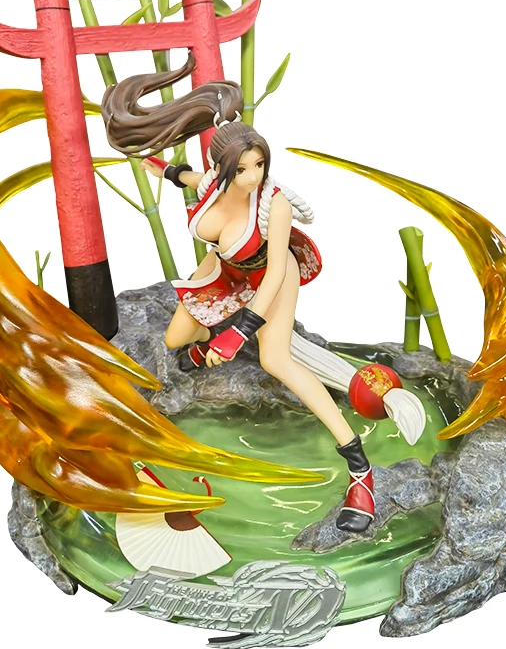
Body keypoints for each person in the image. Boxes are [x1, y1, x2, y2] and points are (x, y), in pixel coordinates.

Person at [102, 54, 375, 533]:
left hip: (271, 276)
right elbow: (192, 179)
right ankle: (207, 343)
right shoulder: (214, 183)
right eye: (243, 168)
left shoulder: (273, 204)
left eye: (260, 165)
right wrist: (164, 169)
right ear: (223, 167)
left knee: (276, 360)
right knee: (174, 341)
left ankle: (359, 468)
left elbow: (273, 276)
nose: (253, 176)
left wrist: (239, 332)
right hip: (224, 270)